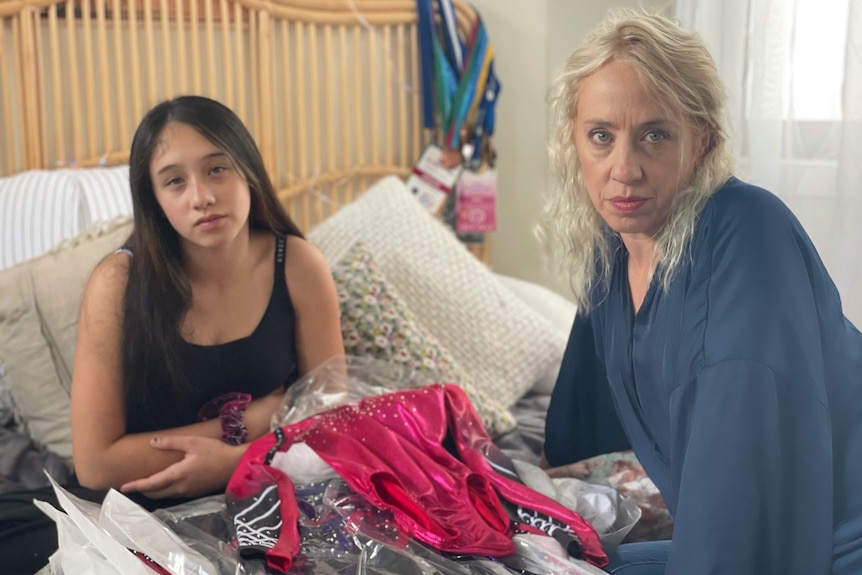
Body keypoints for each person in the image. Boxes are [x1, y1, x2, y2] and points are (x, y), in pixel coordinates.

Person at [541, 9, 862, 575]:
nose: (624, 169)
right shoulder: (612, 249)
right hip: (743, 529)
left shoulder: (749, 228)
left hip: (822, 530)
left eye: (654, 136)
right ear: (575, 140)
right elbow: (581, 418)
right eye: (601, 136)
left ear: (702, 140)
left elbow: (742, 477)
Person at [2, 95, 345, 574]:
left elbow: (331, 420)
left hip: (268, 494)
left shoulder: (299, 265)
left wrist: (234, 462)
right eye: (174, 181)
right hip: (136, 511)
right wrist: (250, 420)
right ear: (155, 200)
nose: (200, 196)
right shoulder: (118, 283)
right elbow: (96, 464)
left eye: (216, 170)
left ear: (247, 168)